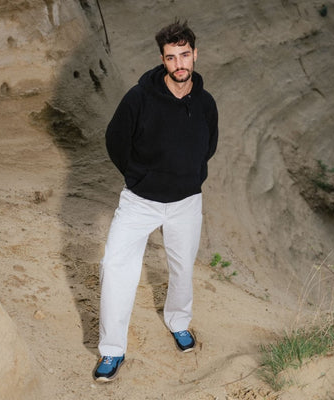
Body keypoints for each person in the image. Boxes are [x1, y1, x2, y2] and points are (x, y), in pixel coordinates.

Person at [93, 19, 218, 382]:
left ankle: (179, 322)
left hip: (186, 203)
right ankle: (112, 351)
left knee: (182, 268)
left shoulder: (206, 103)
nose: (179, 64)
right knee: (116, 269)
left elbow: (208, 147)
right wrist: (139, 177)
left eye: (184, 55)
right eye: (171, 57)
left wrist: (190, 177)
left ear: (195, 54)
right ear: (162, 60)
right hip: (139, 201)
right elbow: (116, 140)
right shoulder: (139, 98)